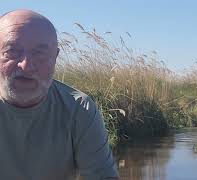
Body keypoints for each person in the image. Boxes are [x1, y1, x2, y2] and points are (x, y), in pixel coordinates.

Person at [0, 9, 119, 179]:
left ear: (55, 57)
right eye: (12, 51)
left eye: (39, 53)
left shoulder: (79, 110)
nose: (26, 66)